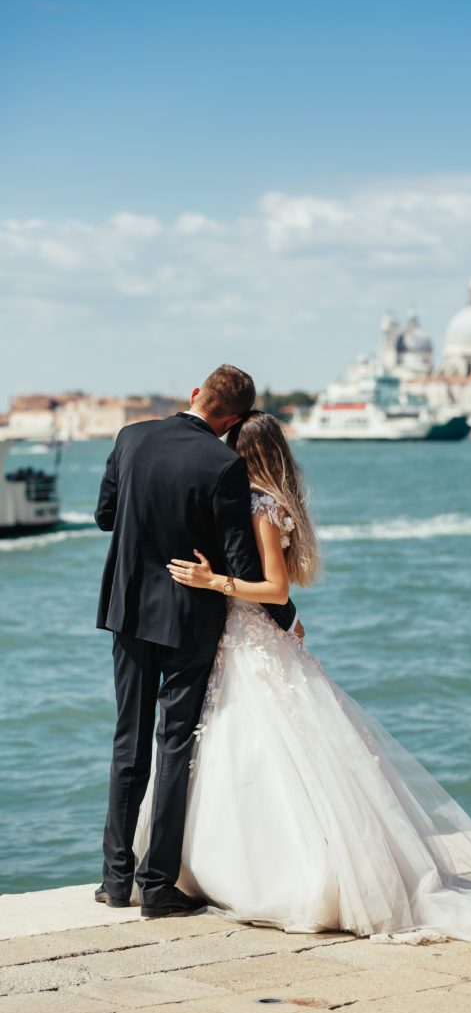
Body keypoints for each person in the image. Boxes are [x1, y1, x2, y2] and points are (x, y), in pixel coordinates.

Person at [133, 409, 471, 942]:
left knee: (262, 757)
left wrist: (213, 580)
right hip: (240, 646)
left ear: (247, 454)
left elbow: (277, 592)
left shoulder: (263, 508)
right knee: (235, 753)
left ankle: (276, 877)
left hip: (253, 645)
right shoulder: (248, 502)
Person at [94, 366, 302, 919]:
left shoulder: (130, 436)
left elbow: (105, 516)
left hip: (128, 608)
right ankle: (157, 884)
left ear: (194, 395)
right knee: (175, 743)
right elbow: (237, 558)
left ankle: (115, 880)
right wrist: (286, 616)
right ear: (231, 420)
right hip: (190, 618)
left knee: (127, 740)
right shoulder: (225, 464)